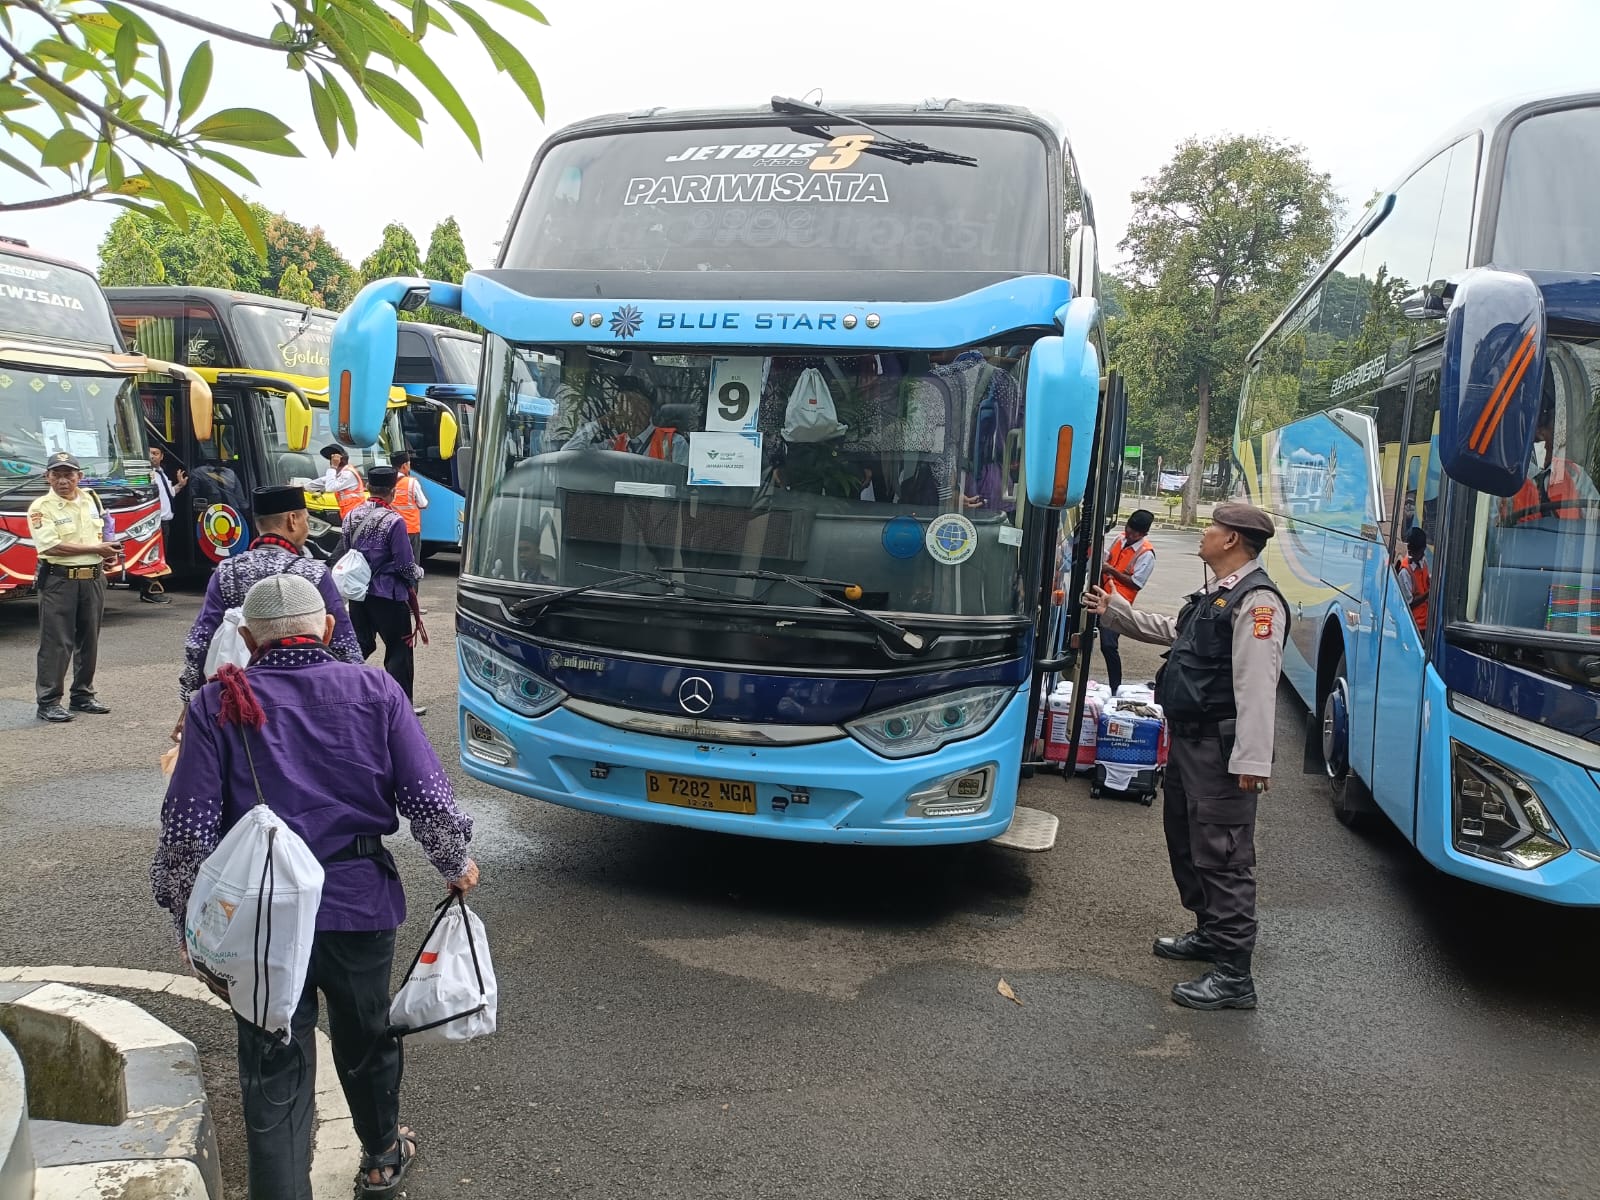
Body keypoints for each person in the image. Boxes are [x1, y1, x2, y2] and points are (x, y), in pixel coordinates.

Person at [152, 573, 478, 1200]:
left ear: (246, 638)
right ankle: (382, 1158)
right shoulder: (375, 688)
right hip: (357, 902)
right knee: (366, 1036)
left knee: (274, 1056)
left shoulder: (218, 703)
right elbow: (426, 794)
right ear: (328, 629)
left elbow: (186, 832)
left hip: (259, 918)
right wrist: (453, 861)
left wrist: (187, 927)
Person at [1083, 501, 1287, 1011]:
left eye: (1213, 528)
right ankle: (1209, 933)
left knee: (1223, 855)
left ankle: (1235, 977)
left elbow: (1258, 687)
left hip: (1221, 753)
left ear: (1233, 541)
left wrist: (1252, 763)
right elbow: (1178, 633)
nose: (1205, 533)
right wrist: (1114, 611)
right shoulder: (1216, 595)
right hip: (1190, 743)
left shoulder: (1257, 602)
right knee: (1186, 841)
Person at [178, 485, 364, 709]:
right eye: (306, 520)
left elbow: (200, 640)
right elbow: (344, 643)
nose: (307, 527)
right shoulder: (314, 573)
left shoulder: (227, 571)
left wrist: (190, 696)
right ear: (292, 520)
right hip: (308, 698)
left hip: (241, 700)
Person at [30, 450, 118, 723]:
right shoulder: (40, 508)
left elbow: (104, 529)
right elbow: (51, 546)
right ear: (47, 477)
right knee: (57, 643)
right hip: (59, 580)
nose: (63, 480)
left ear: (79, 476)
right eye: (56, 474)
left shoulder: (91, 499)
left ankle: (82, 695)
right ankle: (48, 701)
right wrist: (98, 548)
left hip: (92, 578)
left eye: (68, 474)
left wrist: (109, 551)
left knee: (88, 640)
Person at [336, 466, 427, 716]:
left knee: (360, 645)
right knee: (398, 651)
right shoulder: (393, 521)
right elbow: (405, 565)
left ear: (368, 487)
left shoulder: (351, 515)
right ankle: (401, 708)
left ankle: (342, 696)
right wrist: (419, 574)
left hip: (359, 594)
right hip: (388, 595)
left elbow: (348, 551)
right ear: (393, 492)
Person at [1501, 383, 1600, 524]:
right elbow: (1486, 531)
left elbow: (1595, 519)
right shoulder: (1503, 477)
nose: (1563, 436)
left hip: (1567, 545)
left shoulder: (1575, 475)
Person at [561, 379, 688, 463]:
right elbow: (567, 453)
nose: (617, 410)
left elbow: (681, 482)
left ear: (644, 409)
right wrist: (598, 423)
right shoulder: (613, 445)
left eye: (623, 404)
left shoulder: (673, 442)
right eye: (616, 404)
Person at [1098, 509, 1156, 694]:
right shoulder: (1119, 538)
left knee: (1108, 646)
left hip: (1117, 605)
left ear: (1144, 534)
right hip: (1099, 595)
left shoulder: (1146, 554)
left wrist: (1112, 571)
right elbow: (1107, 557)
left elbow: (1137, 583)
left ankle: (1116, 688)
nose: (1129, 535)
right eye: (1128, 529)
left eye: (1134, 534)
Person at [138, 444, 186, 605]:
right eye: (149, 453)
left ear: (161, 456)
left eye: (155, 453)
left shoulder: (161, 473)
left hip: (164, 522)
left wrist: (179, 485)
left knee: (159, 557)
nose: (152, 456)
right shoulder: (145, 475)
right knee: (152, 557)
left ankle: (154, 588)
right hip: (154, 523)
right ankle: (150, 590)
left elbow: (168, 494)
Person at [389, 451, 430, 564]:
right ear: (404, 465)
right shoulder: (411, 483)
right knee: (412, 564)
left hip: (392, 528)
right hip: (411, 530)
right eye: (409, 464)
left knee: (395, 562)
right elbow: (423, 503)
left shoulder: (387, 481)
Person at [309, 443, 365, 519]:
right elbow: (323, 481)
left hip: (356, 515)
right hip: (349, 515)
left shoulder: (348, 473)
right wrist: (302, 486)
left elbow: (330, 488)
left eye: (332, 460)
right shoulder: (341, 473)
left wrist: (333, 467)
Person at [1396, 526, 1430, 632]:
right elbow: (1409, 604)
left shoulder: (1423, 562)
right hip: (1415, 626)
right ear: (1411, 552)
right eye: (1420, 552)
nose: (1423, 555)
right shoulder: (1405, 572)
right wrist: (1428, 594)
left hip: (1427, 622)